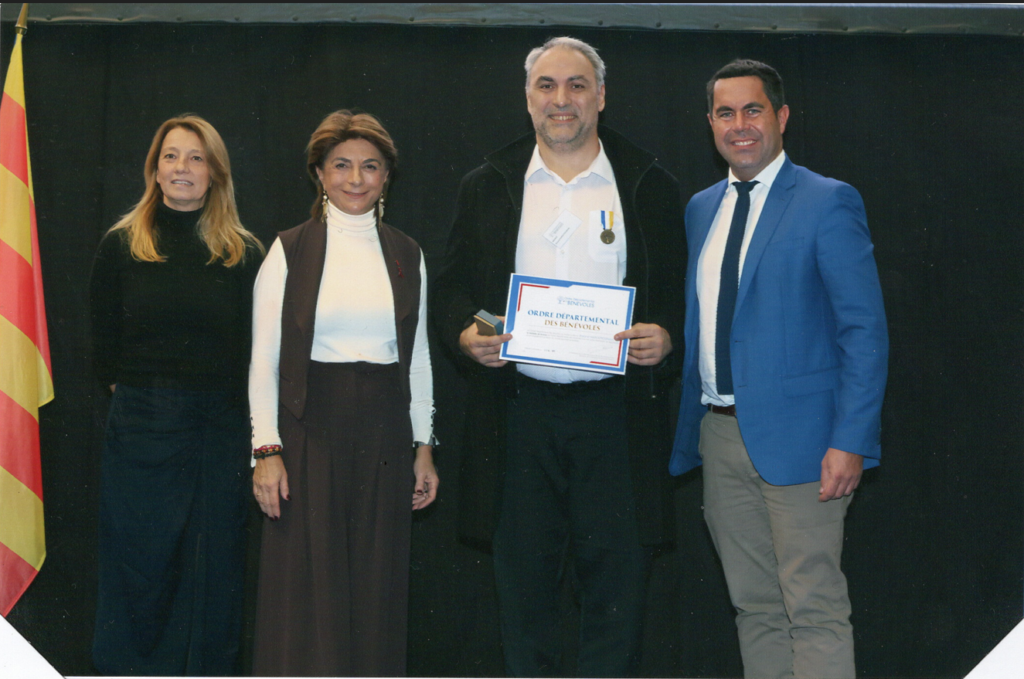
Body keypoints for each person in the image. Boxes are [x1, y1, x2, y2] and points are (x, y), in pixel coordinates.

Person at [432, 37, 684, 677]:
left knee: (617, 589)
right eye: (547, 85)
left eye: (576, 85)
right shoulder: (488, 184)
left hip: (615, 416)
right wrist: (469, 335)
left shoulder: (647, 183)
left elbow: (679, 294)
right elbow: (456, 290)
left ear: (601, 97)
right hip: (520, 413)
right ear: (528, 98)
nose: (561, 99)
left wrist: (667, 336)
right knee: (523, 588)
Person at [670, 59, 888, 679]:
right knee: (755, 607)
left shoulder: (827, 200)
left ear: (781, 116)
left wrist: (851, 439)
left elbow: (863, 330)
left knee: (814, 607)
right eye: (725, 113)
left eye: (753, 110)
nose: (739, 125)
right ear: (710, 123)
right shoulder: (700, 209)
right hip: (719, 436)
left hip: (807, 442)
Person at [248, 109, 437, 677]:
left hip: (385, 434)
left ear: (387, 176)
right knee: (307, 590)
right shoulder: (289, 250)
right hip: (309, 432)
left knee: (376, 586)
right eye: (341, 165)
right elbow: (264, 361)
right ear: (319, 173)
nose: (356, 178)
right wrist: (265, 451)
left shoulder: (408, 253)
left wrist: (424, 447)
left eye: (370, 166)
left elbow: (418, 358)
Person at [89, 114, 264, 676]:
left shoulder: (245, 254)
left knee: (216, 571)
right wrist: (155, 402)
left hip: (221, 430)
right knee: (139, 567)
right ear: (155, 169)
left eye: (195, 157)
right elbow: (103, 350)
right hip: (143, 425)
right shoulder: (121, 245)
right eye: (171, 155)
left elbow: (256, 351)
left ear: (215, 173)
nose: (182, 167)